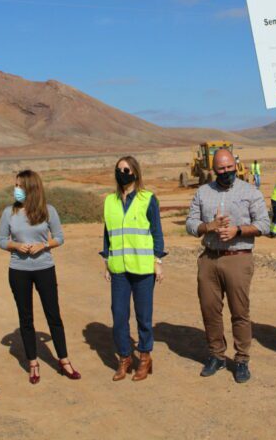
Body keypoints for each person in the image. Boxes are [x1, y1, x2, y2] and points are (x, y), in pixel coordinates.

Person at [186, 149, 270, 383]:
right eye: (220, 169)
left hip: (238, 257)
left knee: (239, 312)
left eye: (229, 167)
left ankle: (242, 359)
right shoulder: (203, 192)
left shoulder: (250, 191)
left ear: (236, 165)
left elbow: (264, 224)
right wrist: (208, 226)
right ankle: (216, 355)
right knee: (210, 311)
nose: (225, 172)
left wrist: (238, 230)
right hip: (209, 258)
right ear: (214, 170)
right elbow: (190, 223)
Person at [0, 170, 80, 385]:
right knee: (26, 318)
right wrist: (16, 245)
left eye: (19, 186)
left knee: (54, 315)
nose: (15, 190)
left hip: (44, 268)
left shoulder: (48, 211)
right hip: (18, 270)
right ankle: (33, 362)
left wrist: (43, 245)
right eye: (14, 186)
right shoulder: (9, 212)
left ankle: (64, 360)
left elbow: (60, 238)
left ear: (30, 187)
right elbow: (1, 240)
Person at [101, 156, 165, 382]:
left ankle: (145, 358)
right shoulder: (110, 201)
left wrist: (158, 262)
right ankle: (125, 358)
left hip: (142, 267)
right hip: (119, 268)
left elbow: (157, 232)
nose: (122, 173)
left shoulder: (148, 199)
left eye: (126, 169)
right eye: (119, 169)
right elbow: (107, 234)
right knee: (119, 315)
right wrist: (107, 261)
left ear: (135, 173)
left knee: (143, 317)